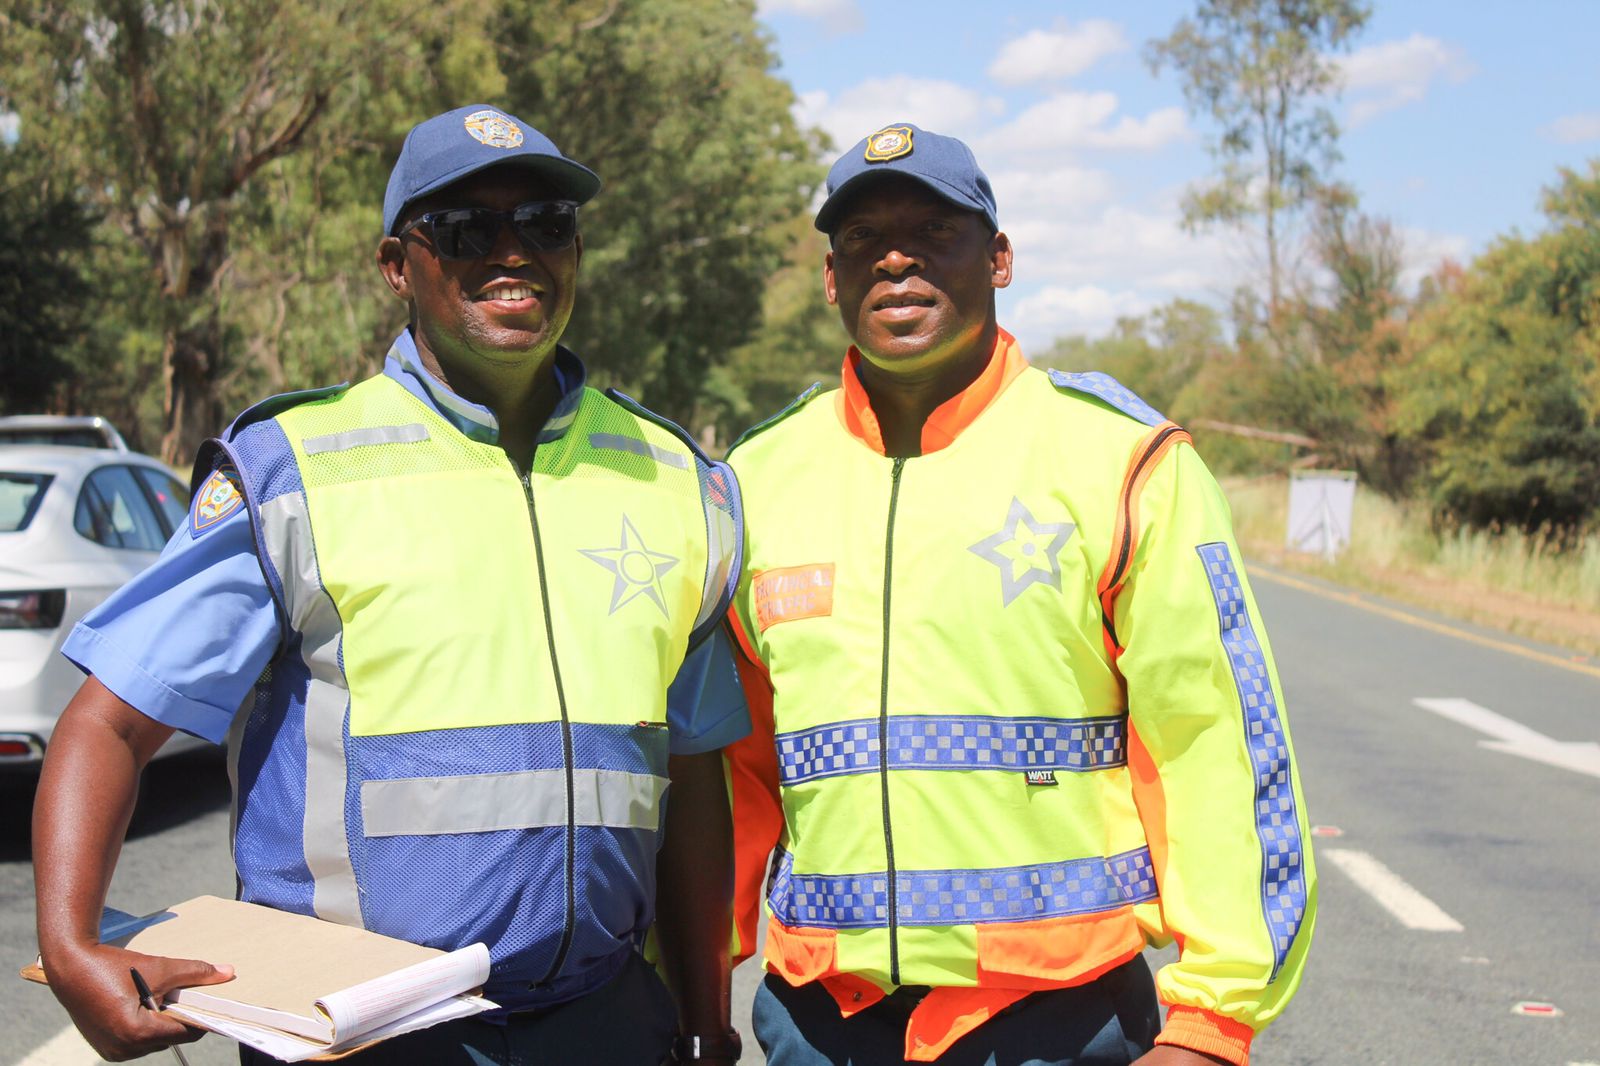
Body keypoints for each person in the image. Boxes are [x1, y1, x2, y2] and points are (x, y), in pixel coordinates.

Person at [33, 105, 748, 1066]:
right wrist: (71, 945)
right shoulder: (292, 469)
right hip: (360, 1031)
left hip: (605, 1020)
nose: (513, 253)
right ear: (396, 267)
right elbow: (111, 723)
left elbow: (690, 772)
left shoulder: (673, 478)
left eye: (545, 223)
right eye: (465, 230)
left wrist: (702, 1013)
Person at [722, 122, 1316, 1066]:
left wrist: (1212, 1025)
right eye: (865, 238)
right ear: (832, 278)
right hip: (819, 1023)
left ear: (999, 259)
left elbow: (1214, 744)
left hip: (1062, 1022)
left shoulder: (1123, 459)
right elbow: (731, 772)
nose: (898, 259)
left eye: (935, 230)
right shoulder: (756, 479)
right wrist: (695, 986)